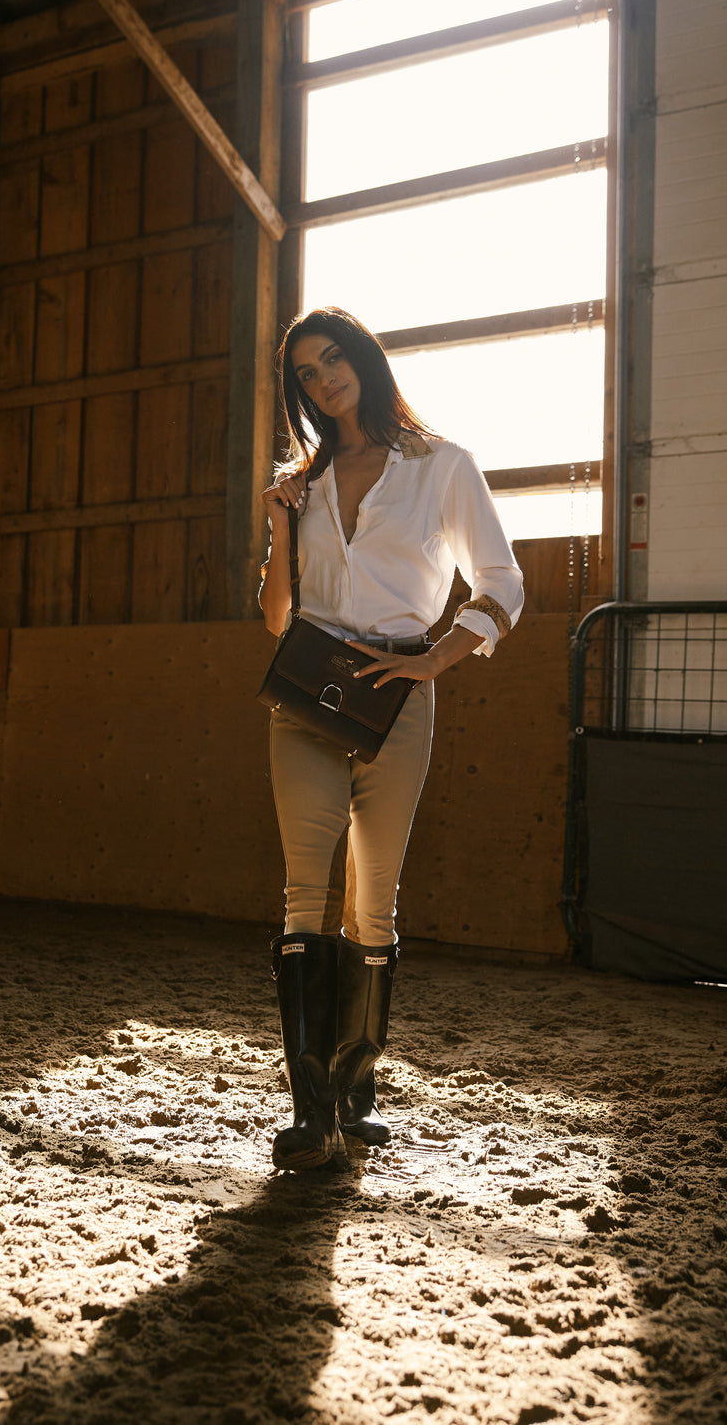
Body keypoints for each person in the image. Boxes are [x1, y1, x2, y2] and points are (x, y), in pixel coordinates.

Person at [259, 307, 524, 1171]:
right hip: (306, 692)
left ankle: (353, 1084)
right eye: (306, 372)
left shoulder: (441, 467)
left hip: (398, 694)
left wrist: (436, 659)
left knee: (372, 899)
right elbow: (276, 618)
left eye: (334, 359)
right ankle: (310, 1112)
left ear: (365, 361)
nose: (324, 377)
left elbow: (501, 583)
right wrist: (277, 522)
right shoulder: (303, 480)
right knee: (307, 893)